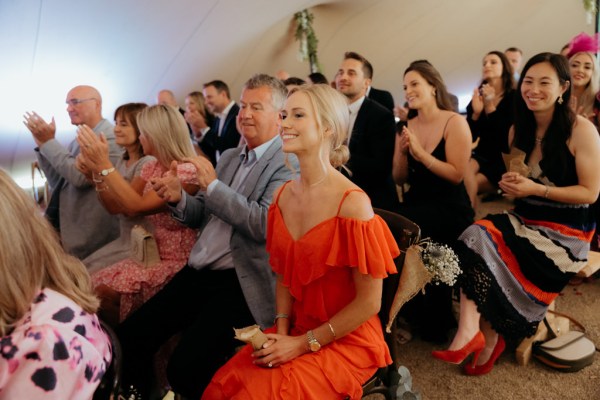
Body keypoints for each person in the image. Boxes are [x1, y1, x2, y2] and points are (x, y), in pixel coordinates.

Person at [203, 83, 399, 399]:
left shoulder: (352, 203)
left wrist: (302, 343)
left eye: (297, 115)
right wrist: (281, 333)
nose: (285, 124)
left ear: (327, 129)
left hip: (346, 341)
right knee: (227, 381)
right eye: (284, 115)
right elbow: (283, 275)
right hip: (296, 330)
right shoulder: (283, 195)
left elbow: (369, 303)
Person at [116, 74, 298, 399]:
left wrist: (213, 186)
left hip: (240, 281)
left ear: (279, 115)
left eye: (256, 107)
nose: (245, 114)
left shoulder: (286, 163)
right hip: (198, 271)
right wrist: (178, 198)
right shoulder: (230, 156)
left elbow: (261, 224)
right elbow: (202, 215)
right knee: (131, 335)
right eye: (243, 105)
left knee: (185, 368)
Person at [433, 52, 600, 376]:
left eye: (544, 82)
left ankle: (484, 333)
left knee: (483, 236)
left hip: (568, 229)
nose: (533, 89)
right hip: (528, 217)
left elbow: (591, 193)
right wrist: (512, 183)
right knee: (472, 234)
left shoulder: (582, 131)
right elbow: (518, 178)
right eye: (528, 81)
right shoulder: (517, 130)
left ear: (563, 88)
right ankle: (476, 332)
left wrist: (536, 190)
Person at [77, 105, 200, 323]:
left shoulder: (188, 170)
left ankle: (126, 347)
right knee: (90, 286)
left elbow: (137, 206)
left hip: (177, 261)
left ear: (157, 135)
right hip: (149, 254)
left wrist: (104, 164)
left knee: (102, 294)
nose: (141, 137)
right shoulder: (152, 167)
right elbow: (117, 207)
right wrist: (97, 174)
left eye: (143, 132)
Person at [0, 169, 112, 399]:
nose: (118, 129)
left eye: (123, 128)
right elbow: (58, 177)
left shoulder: (42, 344)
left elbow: (78, 178)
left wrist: (101, 167)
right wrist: (44, 146)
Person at [392, 61, 474, 343]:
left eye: (415, 84)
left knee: (420, 233)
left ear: (433, 86)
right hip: (418, 201)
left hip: (449, 205)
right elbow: (398, 177)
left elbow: (456, 175)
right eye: (405, 86)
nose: (409, 91)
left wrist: (421, 154)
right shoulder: (406, 126)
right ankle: (406, 310)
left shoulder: (454, 122)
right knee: (390, 226)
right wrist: (404, 152)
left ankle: (438, 320)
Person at [23, 85, 120, 260]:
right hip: (73, 230)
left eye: (74, 102)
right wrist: (42, 144)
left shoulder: (110, 136)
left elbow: (79, 178)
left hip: (94, 234)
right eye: (67, 103)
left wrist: (49, 142)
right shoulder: (79, 139)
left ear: (96, 104)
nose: (69, 108)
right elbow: (58, 182)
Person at [80, 103, 154, 273]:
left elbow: (121, 208)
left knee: (87, 274)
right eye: (116, 123)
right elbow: (110, 203)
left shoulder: (147, 162)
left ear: (140, 128)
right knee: (82, 268)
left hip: (140, 242)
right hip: (124, 237)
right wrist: (93, 174)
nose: (116, 129)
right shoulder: (123, 158)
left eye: (123, 124)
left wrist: (100, 169)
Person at [335, 51, 399, 211]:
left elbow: (381, 166)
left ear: (366, 83)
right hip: (337, 195)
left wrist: (337, 157)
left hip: (372, 201)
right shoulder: (332, 112)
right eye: (340, 72)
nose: (343, 77)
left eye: (351, 73)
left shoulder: (381, 116)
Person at [464, 51, 516, 207]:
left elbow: (505, 137)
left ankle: (467, 217)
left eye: (493, 62)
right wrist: (476, 114)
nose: (487, 65)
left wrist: (490, 106)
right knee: (465, 170)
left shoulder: (514, 98)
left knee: (469, 182)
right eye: (484, 63)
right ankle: (467, 215)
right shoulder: (477, 97)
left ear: (505, 67)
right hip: (481, 155)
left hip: (503, 160)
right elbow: (470, 137)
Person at [196, 80, 242, 165]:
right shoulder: (217, 118)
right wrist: (198, 133)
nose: (206, 102)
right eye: (205, 98)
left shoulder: (237, 114)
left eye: (209, 97)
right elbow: (213, 149)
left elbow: (228, 147)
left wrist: (204, 128)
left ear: (223, 95)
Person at [566, 32, 600, 120]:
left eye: (587, 67)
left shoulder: (598, 101)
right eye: (574, 65)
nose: (580, 70)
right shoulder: (557, 97)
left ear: (594, 72)